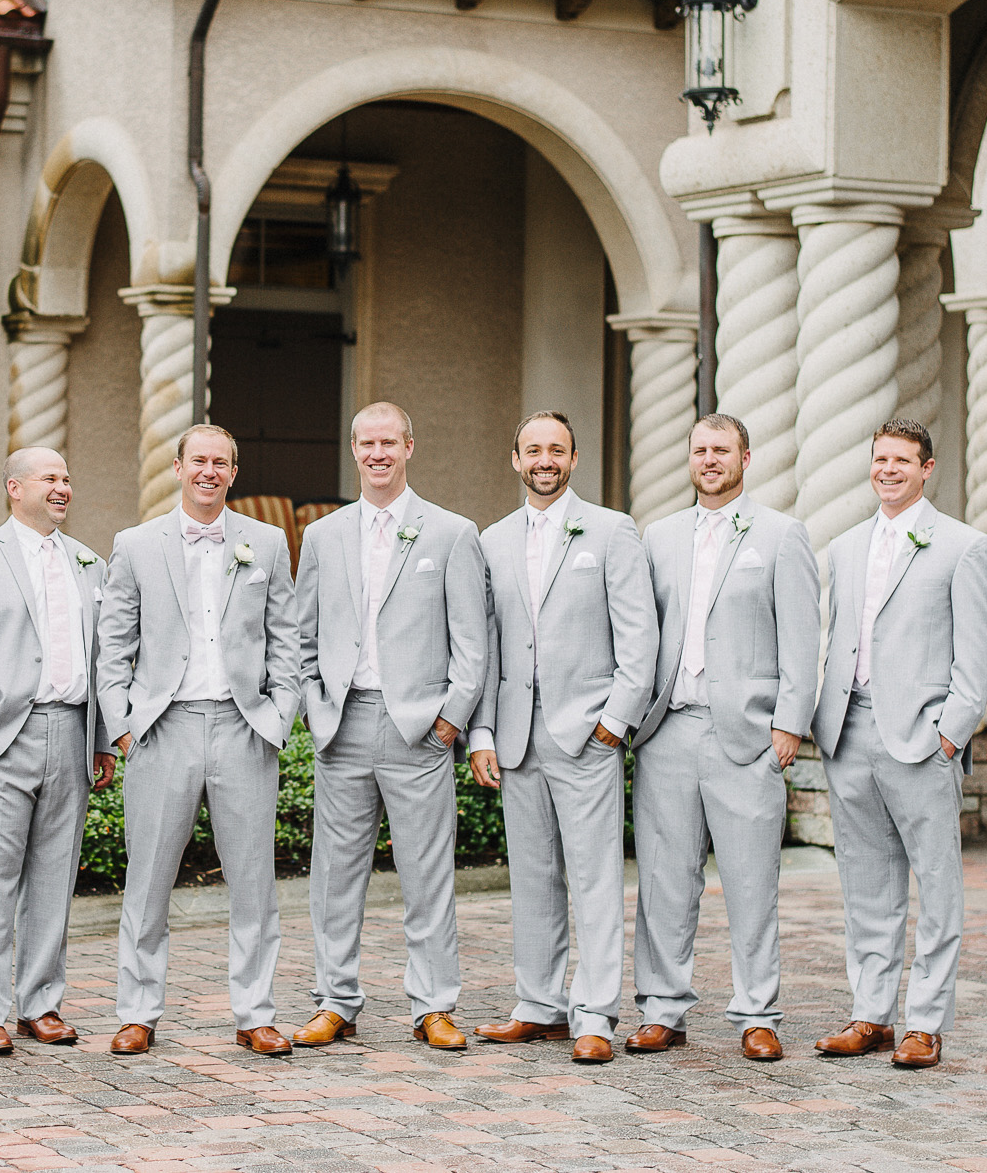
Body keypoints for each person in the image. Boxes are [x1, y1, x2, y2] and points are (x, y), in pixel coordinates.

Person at [98, 424, 300, 1056]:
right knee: (148, 879)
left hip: (245, 729)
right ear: (179, 468)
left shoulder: (265, 543)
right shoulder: (134, 544)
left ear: (232, 473)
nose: (209, 471)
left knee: (253, 883)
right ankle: (138, 1011)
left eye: (221, 462)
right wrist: (124, 727)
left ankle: (255, 1012)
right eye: (198, 461)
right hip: (165, 728)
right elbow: (113, 645)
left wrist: (278, 718)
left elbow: (286, 638)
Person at [295, 401, 489, 1052]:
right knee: (334, 873)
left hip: (418, 728)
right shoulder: (323, 534)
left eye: (389, 441)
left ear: (411, 445)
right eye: (366, 443)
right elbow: (300, 635)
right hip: (342, 722)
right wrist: (315, 705)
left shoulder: (452, 532)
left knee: (427, 872)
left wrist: (448, 720)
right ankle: (335, 999)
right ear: (354, 450)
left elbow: (473, 641)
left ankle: (433, 1004)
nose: (377, 453)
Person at [629, 413, 818, 1062]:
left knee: (750, 880)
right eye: (700, 449)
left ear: (745, 457)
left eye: (722, 450)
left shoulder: (780, 534)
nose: (710, 459)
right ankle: (661, 1008)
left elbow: (802, 635)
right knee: (663, 878)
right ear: (689, 458)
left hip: (746, 733)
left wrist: (789, 721)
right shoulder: (657, 536)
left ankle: (758, 1012)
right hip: (667, 731)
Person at [469, 410, 656, 1063]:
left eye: (556, 449)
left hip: (587, 733)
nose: (544, 460)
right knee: (534, 874)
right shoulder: (490, 540)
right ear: (514, 459)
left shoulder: (611, 530)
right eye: (532, 450)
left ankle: (596, 1012)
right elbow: (485, 644)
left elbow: (639, 636)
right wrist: (483, 730)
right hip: (517, 736)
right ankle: (539, 1004)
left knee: (595, 875)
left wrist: (615, 720)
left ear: (573, 458)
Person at [812, 419, 987, 1070]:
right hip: (848, 731)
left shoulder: (963, 546)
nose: (888, 469)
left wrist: (949, 735)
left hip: (921, 737)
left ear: (928, 468)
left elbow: (976, 659)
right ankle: (871, 1014)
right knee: (866, 885)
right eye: (880, 459)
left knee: (936, 884)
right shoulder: (845, 545)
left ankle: (925, 1021)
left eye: (902, 460)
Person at [0, 447, 116, 1055]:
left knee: (54, 876)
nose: (63, 487)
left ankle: (41, 1002)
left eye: (67, 477)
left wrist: (102, 738)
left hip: (71, 731)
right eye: (49, 478)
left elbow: (103, 658)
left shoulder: (89, 562)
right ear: (15, 486)